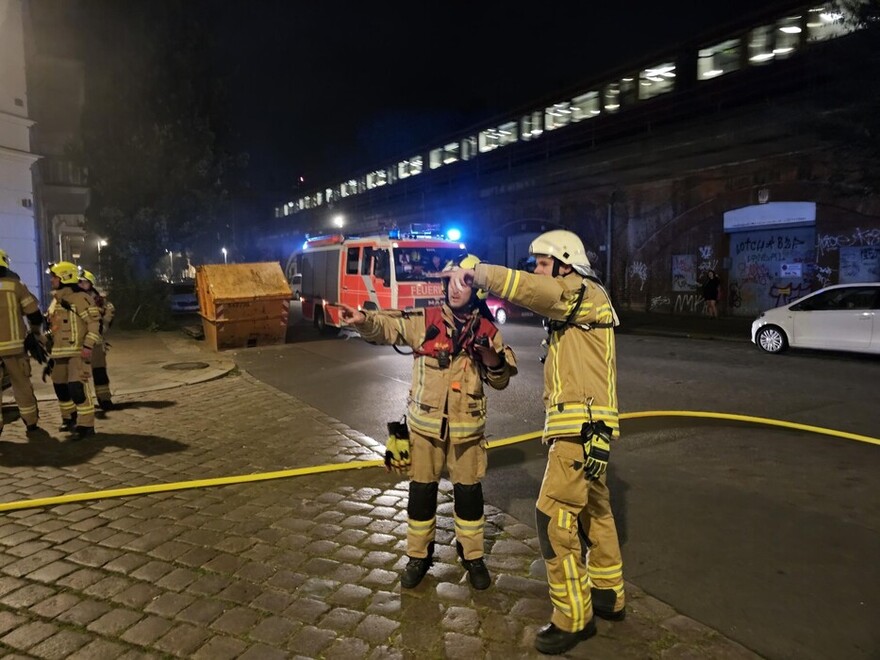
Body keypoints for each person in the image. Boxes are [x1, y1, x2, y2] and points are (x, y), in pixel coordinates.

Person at [442, 230, 625, 655]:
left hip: (581, 427)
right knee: (593, 508)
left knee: (552, 515)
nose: (536, 271)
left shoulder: (579, 291)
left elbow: (532, 290)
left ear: (565, 263)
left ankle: (573, 617)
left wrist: (479, 273)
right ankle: (608, 592)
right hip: (587, 426)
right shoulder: (577, 306)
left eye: (542, 263)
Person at [339, 254, 518, 590]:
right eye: (448, 281)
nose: (453, 289)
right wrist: (363, 319)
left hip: (467, 433)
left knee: (469, 496)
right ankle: (418, 557)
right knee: (421, 493)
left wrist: (489, 356)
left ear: (476, 288)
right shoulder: (426, 319)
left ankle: (473, 556)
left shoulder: (486, 330)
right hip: (424, 429)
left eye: (463, 282)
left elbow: (501, 379)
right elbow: (389, 326)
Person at [46, 261, 101, 440]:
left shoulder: (80, 298)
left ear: (64, 277)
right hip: (59, 353)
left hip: (77, 351)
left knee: (77, 388)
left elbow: (93, 324)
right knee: (60, 387)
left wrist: (88, 346)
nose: (52, 280)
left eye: (54, 277)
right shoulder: (56, 300)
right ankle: (69, 418)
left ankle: (86, 425)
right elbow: (53, 326)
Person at [0, 249, 46, 434]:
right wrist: (34, 333)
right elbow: (34, 314)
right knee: (22, 385)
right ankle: (31, 421)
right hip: (15, 348)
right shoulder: (16, 285)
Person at [78, 269, 116, 409]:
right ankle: (82, 402)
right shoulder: (74, 298)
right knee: (80, 375)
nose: (81, 284)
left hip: (97, 343)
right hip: (79, 342)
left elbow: (109, 312)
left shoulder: (99, 299)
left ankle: (104, 399)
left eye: (84, 282)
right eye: (79, 282)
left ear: (90, 283)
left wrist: (104, 326)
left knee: (100, 373)